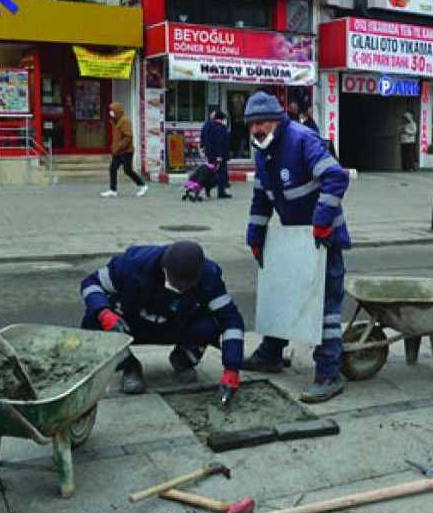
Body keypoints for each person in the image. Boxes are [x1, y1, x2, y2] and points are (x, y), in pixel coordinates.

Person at [240, 91, 351, 403]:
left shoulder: (302, 139)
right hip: (294, 239)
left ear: (276, 120)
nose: (255, 129)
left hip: (323, 238)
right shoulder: (263, 151)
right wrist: (255, 236)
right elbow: (261, 198)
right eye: (250, 124)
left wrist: (322, 221)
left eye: (261, 123)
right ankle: (271, 353)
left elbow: (336, 177)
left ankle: (329, 373)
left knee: (326, 307)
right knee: (283, 294)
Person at [80, 241, 244, 400]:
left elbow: (230, 320)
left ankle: (183, 359)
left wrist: (232, 369)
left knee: (210, 326)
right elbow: (91, 283)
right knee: (93, 320)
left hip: (176, 325)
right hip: (132, 324)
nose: (181, 288)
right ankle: (129, 366)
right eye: (177, 283)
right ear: (164, 269)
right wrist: (104, 313)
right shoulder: (133, 265)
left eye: (187, 285)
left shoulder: (209, 276)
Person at [101, 102, 148, 198]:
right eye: (110, 111)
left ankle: (143, 185)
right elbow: (117, 137)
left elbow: (128, 136)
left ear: (117, 111)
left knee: (128, 170)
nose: (111, 113)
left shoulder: (125, 121)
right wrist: (114, 147)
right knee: (112, 169)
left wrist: (119, 146)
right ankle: (113, 190)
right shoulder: (116, 121)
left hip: (126, 151)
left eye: (112, 110)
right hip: (117, 151)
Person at [203, 111, 232, 199]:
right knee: (220, 174)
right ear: (221, 119)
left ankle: (209, 188)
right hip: (219, 155)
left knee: (211, 172)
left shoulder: (208, 126)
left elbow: (205, 139)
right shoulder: (220, 128)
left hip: (211, 154)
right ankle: (220, 191)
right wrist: (219, 156)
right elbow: (219, 142)